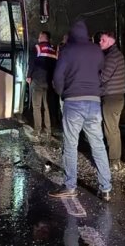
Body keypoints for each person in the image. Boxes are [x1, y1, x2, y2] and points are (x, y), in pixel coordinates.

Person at [49, 20, 112, 201]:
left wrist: (62, 93)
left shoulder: (68, 50)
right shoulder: (96, 50)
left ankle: (70, 186)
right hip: (94, 102)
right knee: (98, 145)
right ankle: (106, 188)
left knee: (70, 145)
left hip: (73, 102)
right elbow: (101, 71)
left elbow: (58, 76)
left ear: (72, 34)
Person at [99, 32, 125, 172]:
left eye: (103, 40)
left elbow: (103, 77)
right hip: (116, 97)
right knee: (113, 128)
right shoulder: (116, 54)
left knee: (111, 130)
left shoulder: (111, 57)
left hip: (111, 98)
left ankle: (114, 161)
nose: (100, 42)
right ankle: (115, 160)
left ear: (110, 41)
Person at [27, 31, 57, 139]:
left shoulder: (37, 48)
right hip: (49, 82)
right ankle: (48, 130)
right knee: (47, 106)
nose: (38, 39)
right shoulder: (54, 50)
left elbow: (31, 63)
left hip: (37, 81)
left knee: (36, 106)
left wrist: (28, 76)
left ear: (41, 37)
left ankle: (37, 130)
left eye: (39, 37)